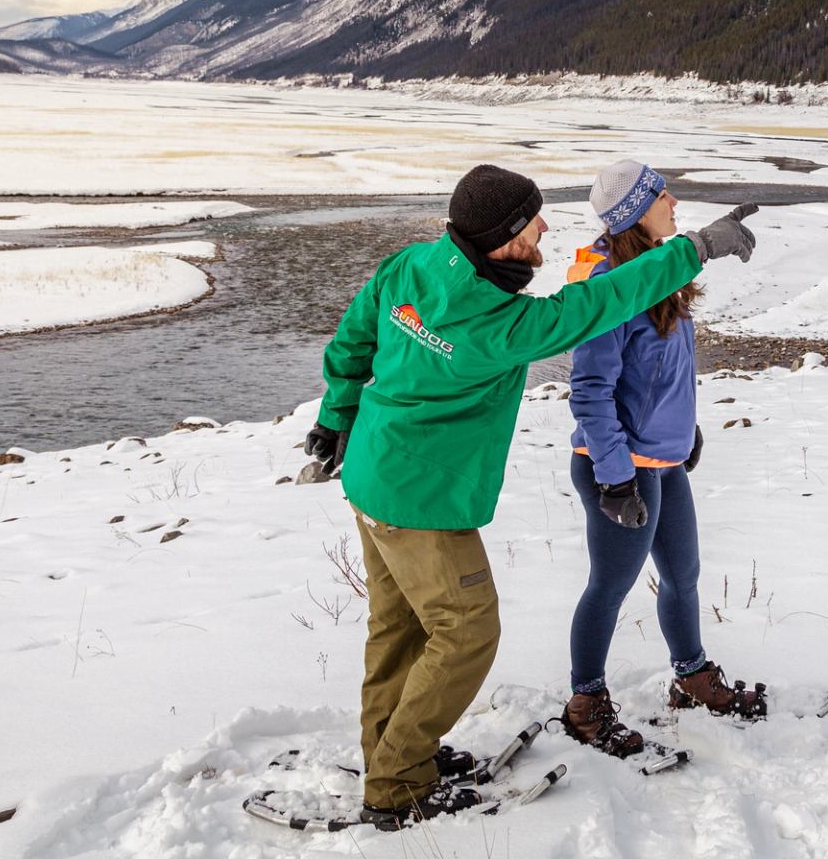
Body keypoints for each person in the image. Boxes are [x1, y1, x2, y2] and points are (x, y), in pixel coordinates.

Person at [301, 162, 759, 829]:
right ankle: (398, 783)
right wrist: (696, 249)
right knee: (466, 631)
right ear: (503, 238)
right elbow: (593, 305)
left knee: (399, 631)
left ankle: (395, 755)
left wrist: (334, 417)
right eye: (532, 220)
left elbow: (354, 339)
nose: (546, 225)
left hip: (374, 475)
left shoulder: (412, 266)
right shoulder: (496, 322)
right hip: (419, 501)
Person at [558, 159, 768, 759]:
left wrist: (684, 429)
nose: (672, 201)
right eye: (659, 194)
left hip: (662, 463)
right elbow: (590, 392)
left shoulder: (654, 274)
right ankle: (585, 703)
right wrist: (615, 477)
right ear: (632, 212)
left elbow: (661, 372)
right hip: (619, 470)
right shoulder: (607, 286)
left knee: (684, 575)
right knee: (610, 586)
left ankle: (693, 677)